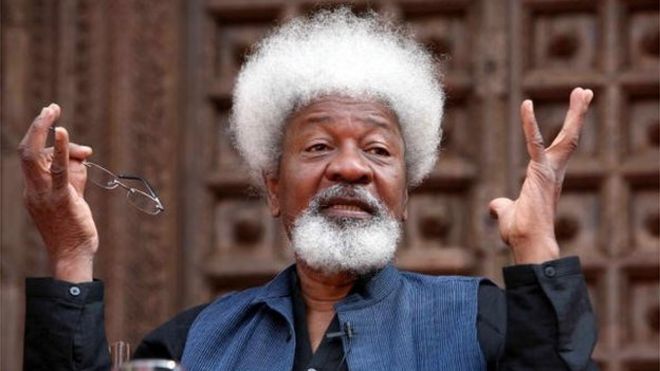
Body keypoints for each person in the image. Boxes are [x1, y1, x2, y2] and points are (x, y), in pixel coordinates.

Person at [21, 9, 598, 371]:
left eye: (377, 150)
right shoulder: (194, 343)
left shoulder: (482, 321)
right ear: (273, 188)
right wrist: (71, 256)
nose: (351, 168)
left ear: (405, 194)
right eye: (319, 148)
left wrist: (537, 254)